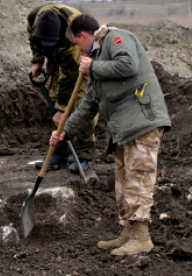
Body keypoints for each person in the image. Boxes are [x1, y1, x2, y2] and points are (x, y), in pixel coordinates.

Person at [50, 14, 171, 255]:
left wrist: (92, 66)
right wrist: (65, 131)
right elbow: (89, 103)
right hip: (123, 128)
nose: (78, 50)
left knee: (138, 179)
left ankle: (142, 237)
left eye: (77, 44)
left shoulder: (116, 38)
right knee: (124, 181)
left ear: (83, 36)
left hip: (142, 122)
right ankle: (129, 231)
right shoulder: (97, 57)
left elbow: (129, 65)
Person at [27, 3, 96, 173]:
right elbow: (33, 40)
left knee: (82, 104)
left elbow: (69, 78)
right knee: (55, 99)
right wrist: (37, 61)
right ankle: (60, 155)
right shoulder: (33, 18)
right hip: (56, 58)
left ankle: (83, 156)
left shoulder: (71, 35)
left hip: (79, 62)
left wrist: (62, 109)